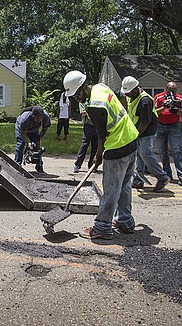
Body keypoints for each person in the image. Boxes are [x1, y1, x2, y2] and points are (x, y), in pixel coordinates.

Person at [63, 71, 139, 241]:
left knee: (111, 189)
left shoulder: (95, 107)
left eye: (76, 94)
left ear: (83, 87)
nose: (75, 98)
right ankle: (125, 221)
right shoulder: (101, 88)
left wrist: (98, 157)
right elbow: (121, 104)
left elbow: (100, 136)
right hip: (131, 138)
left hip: (117, 146)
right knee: (125, 185)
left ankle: (102, 227)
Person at [121, 76, 169, 192]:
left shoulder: (145, 101)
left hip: (147, 130)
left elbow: (145, 121)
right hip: (137, 129)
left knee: (145, 152)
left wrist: (136, 135)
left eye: (128, 92)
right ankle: (138, 180)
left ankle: (162, 177)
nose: (127, 95)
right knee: (137, 154)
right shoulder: (132, 96)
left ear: (135, 89)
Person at [154, 82, 182, 185]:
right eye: (170, 90)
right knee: (162, 151)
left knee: (177, 151)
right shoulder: (158, 97)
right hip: (160, 125)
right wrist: (165, 107)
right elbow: (155, 112)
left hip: (174, 126)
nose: (173, 92)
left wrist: (175, 108)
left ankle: (181, 176)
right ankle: (167, 174)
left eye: (175, 90)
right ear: (166, 89)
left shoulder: (179, 99)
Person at [14, 105, 51, 173]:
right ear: (32, 115)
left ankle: (39, 166)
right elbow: (23, 134)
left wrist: (38, 140)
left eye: (40, 118)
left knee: (37, 147)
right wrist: (28, 143)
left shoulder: (46, 117)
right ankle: (17, 165)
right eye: (36, 118)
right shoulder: (25, 118)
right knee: (20, 144)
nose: (38, 120)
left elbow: (44, 129)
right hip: (21, 130)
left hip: (34, 130)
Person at [73, 92, 98, 173]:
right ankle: (77, 165)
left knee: (95, 146)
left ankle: (92, 166)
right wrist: (92, 111)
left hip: (97, 126)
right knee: (84, 145)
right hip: (88, 126)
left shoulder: (95, 101)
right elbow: (83, 113)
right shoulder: (83, 102)